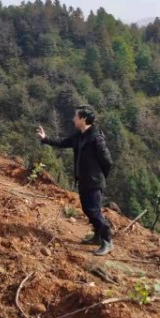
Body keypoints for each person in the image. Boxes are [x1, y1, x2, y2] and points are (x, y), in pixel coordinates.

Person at [37, 104, 114, 256]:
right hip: (83, 180)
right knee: (87, 209)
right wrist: (45, 139)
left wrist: (100, 177)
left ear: (83, 119)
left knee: (94, 211)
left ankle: (107, 240)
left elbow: (108, 161)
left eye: (75, 116)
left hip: (94, 181)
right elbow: (63, 142)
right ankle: (97, 236)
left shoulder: (96, 138)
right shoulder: (79, 136)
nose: (73, 119)